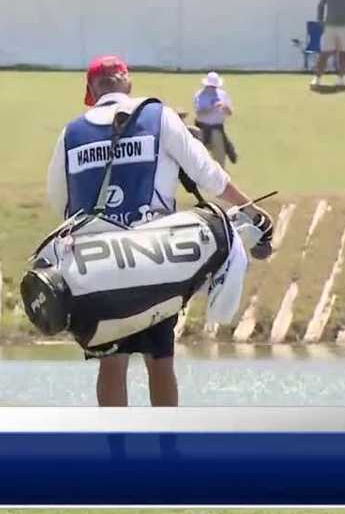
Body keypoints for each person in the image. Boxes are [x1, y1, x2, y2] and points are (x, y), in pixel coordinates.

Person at [45, 55, 266, 407]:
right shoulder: (157, 115)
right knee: (160, 361)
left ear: (90, 91)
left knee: (111, 365)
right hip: (153, 260)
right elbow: (208, 174)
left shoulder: (71, 133)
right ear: (127, 81)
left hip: (96, 266)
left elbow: (59, 200)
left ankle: (116, 453)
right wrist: (251, 209)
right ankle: (165, 450)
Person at [192, 71, 237, 167]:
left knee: (219, 159)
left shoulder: (223, 95)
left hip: (217, 129)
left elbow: (230, 112)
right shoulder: (200, 95)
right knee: (198, 158)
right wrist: (212, 107)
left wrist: (225, 107)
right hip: (202, 129)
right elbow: (199, 112)